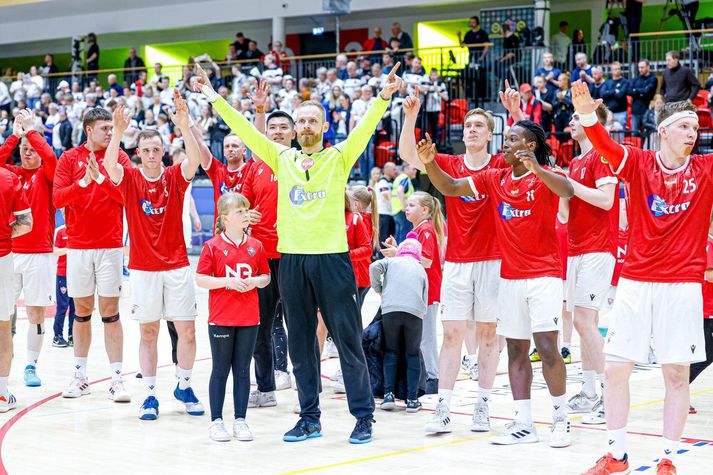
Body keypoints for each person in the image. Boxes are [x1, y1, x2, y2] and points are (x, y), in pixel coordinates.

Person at [194, 61, 403, 444]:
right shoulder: (280, 158)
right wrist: (211, 96)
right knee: (300, 344)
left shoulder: (339, 157)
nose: (306, 126)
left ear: (322, 127)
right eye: (301, 121)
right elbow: (241, 127)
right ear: (295, 129)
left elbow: (365, 127)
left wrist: (383, 98)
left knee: (348, 340)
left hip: (331, 262)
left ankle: (363, 417)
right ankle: (309, 417)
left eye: (312, 121)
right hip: (292, 262)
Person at [571, 80, 712, 475]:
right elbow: (605, 146)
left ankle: (668, 457)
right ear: (663, 130)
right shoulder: (639, 163)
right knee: (616, 369)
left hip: (683, 286)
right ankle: (616, 454)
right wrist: (585, 114)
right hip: (636, 281)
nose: (693, 132)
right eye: (686, 126)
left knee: (675, 373)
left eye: (696, 127)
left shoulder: (706, 168)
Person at [418, 120, 575, 449]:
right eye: (505, 138)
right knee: (516, 349)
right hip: (510, 277)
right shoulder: (495, 178)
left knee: (546, 348)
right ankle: (524, 422)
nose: (505, 144)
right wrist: (430, 162)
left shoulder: (545, 175)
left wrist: (537, 169)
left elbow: (567, 190)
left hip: (544, 274)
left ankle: (561, 418)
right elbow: (450, 187)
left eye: (513, 139)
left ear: (529, 146)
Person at [399, 85, 521, 433]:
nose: (471, 130)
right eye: (468, 126)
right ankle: (444, 407)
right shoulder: (450, 162)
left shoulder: (501, 163)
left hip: (493, 261)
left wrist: (514, 112)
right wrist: (410, 117)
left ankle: (483, 404)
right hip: (456, 260)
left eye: (479, 126)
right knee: (452, 334)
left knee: (487, 335)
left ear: (491, 135)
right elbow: (410, 153)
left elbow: (532, 150)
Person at [103, 93, 204, 421]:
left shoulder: (174, 177)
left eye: (155, 149)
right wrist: (117, 131)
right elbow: (108, 166)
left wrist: (185, 126)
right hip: (144, 269)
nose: (150, 154)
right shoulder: (130, 178)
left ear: (162, 152)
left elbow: (195, 161)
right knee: (148, 333)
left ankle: (184, 385)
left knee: (186, 332)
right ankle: (149, 395)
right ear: (138, 153)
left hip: (176, 265)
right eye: (145, 150)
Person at [53, 107, 132, 402]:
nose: (110, 133)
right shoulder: (69, 158)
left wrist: (99, 179)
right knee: (82, 312)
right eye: (104, 129)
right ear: (89, 130)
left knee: (111, 314)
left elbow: (126, 196)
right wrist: (83, 182)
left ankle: (116, 379)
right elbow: (57, 198)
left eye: (112, 129)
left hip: (110, 245)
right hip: (78, 247)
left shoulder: (119, 157)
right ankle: (80, 375)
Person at [196, 192, 271, 442]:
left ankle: (240, 420)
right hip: (222, 317)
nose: (245, 214)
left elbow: (266, 277)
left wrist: (253, 281)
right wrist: (227, 282)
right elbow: (201, 279)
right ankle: (216, 421)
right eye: (240, 211)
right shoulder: (212, 246)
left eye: (246, 210)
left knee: (242, 370)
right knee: (220, 369)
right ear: (225, 218)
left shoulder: (256, 245)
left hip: (249, 318)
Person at [561, 106, 619, 427]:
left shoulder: (601, 154)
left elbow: (607, 200)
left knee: (584, 319)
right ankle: (587, 390)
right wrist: (558, 186)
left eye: (576, 117)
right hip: (575, 247)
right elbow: (565, 214)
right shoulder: (575, 161)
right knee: (583, 321)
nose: (570, 121)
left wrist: (570, 185)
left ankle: (610, 395)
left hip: (598, 247)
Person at [239, 88, 296, 403]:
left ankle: (305, 389)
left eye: (283, 127)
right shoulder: (255, 165)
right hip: (260, 256)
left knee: (298, 324)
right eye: (272, 127)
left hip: (293, 255)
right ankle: (265, 390)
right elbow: (243, 203)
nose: (277, 132)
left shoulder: (302, 162)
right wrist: (246, 214)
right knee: (259, 326)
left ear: (293, 132)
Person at [0, 110, 57, 387]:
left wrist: (32, 132)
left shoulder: (47, 175)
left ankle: (31, 366)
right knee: (4, 313)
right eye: (24, 149)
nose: (28, 153)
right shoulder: (12, 174)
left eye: (32, 149)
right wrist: (15, 135)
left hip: (40, 255)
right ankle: (3, 368)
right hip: (9, 254)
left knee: (35, 313)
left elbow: (51, 158)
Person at [371, 237, 428, 412]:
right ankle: (411, 399)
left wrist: (379, 288)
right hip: (414, 312)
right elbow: (425, 295)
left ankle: (388, 395)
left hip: (391, 309)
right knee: (412, 354)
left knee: (391, 351)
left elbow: (374, 267)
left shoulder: (392, 261)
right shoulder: (420, 269)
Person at [396, 191, 443, 392]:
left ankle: (433, 376)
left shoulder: (426, 231)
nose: (407, 208)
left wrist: (398, 253)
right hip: (419, 290)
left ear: (424, 210)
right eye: (407, 205)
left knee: (427, 336)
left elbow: (427, 260)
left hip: (428, 291)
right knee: (420, 335)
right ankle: (425, 375)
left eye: (412, 205)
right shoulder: (418, 230)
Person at [0, 165, 33, 414]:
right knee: (3, 325)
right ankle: (1, 394)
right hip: (2, 257)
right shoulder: (8, 178)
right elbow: (26, 223)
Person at [689, 219, 713, 414]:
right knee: (706, 355)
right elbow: (709, 274)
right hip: (705, 311)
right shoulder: (707, 243)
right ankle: (679, 387)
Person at [52, 223, 74, 348]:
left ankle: (72, 335)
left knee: (75, 306)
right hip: (63, 274)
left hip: (76, 274)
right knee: (62, 306)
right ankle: (57, 336)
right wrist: (69, 249)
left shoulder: (79, 228)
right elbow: (55, 251)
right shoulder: (60, 231)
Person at [628, 59, 658, 136]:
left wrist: (636, 91)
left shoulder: (653, 79)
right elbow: (629, 91)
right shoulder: (636, 79)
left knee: (648, 134)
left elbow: (647, 91)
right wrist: (641, 92)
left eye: (642, 67)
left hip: (647, 110)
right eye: (639, 67)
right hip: (636, 110)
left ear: (648, 67)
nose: (640, 69)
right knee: (634, 134)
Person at [599, 62, 629, 129]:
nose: (617, 70)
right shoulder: (607, 82)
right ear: (611, 71)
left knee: (620, 135)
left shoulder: (625, 82)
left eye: (619, 69)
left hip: (621, 112)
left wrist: (608, 92)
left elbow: (620, 95)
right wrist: (614, 91)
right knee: (607, 134)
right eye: (615, 69)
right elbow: (602, 94)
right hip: (608, 112)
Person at [392, 163, 416, 243]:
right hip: (402, 210)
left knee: (399, 233)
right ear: (406, 169)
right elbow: (400, 191)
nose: (415, 171)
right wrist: (405, 206)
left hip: (396, 210)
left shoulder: (398, 178)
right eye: (413, 169)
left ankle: (396, 253)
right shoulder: (405, 178)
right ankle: (402, 254)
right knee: (405, 233)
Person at [376, 162, 396, 250]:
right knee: (383, 236)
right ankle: (381, 256)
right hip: (383, 213)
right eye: (393, 169)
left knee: (389, 236)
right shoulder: (382, 182)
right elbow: (387, 197)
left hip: (389, 213)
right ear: (387, 170)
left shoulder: (390, 182)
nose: (395, 171)